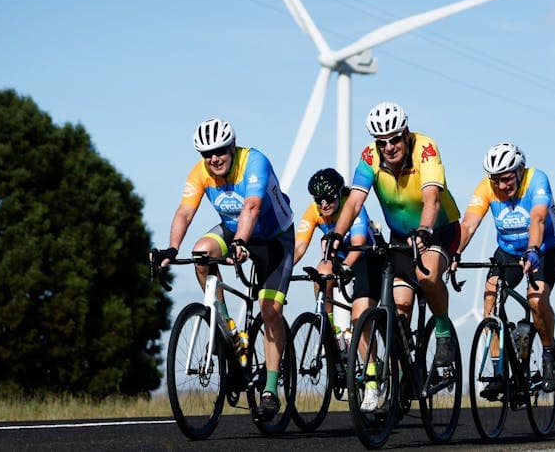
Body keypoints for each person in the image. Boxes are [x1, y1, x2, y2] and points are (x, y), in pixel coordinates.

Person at [151, 118, 295, 421]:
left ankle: (270, 389)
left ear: (232, 147)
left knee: (269, 311)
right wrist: (170, 249)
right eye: (207, 154)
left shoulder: (254, 162)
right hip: (233, 231)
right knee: (201, 253)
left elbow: (252, 207)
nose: (214, 159)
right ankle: (228, 327)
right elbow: (185, 211)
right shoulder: (201, 172)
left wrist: (242, 241)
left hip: (273, 238)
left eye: (219, 151)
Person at [325, 101, 462, 376]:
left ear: (406, 133)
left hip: (438, 230)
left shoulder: (425, 149)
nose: (389, 147)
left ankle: (444, 331)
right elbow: (353, 203)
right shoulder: (369, 157)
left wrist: (424, 230)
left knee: (426, 276)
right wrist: (337, 234)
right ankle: (403, 376)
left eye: (395, 139)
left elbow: (432, 200)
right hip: (400, 237)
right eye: (382, 142)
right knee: (398, 313)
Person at [453, 142, 555, 395]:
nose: (502, 186)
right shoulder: (487, 188)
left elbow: (537, 218)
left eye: (506, 179)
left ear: (520, 170)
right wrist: (454, 253)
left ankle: (549, 354)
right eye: (496, 181)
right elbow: (469, 225)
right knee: (490, 300)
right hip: (508, 251)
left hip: (545, 247)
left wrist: (533, 250)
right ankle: (499, 372)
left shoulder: (536, 180)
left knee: (536, 301)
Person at [292, 168, 377, 350]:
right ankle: (331, 329)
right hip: (340, 257)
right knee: (321, 272)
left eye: (329, 199)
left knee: (359, 317)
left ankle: (371, 372)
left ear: (340, 193)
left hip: (364, 257)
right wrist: (282, 269)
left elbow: (357, 243)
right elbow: (299, 247)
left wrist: (345, 267)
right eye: (318, 200)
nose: (323, 205)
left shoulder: (351, 206)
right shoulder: (314, 211)